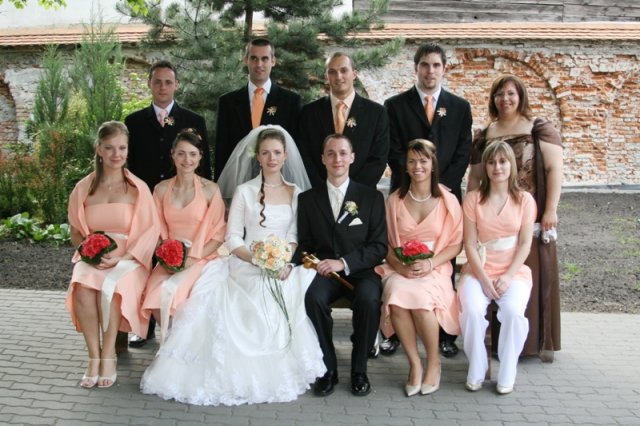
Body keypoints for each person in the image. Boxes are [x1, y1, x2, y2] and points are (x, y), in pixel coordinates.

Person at [140, 126, 324, 405]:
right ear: (257, 157)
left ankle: (273, 370)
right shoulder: (245, 191)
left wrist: (281, 260)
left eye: (276, 152)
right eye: (265, 153)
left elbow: (295, 235)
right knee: (248, 291)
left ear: (285, 156)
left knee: (283, 289)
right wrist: (258, 259)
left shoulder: (297, 193)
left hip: (281, 263)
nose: (272, 158)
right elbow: (233, 236)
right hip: (245, 260)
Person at [383, 43, 472, 358]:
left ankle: (446, 332)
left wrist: (437, 189)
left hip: (443, 196)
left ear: (444, 68)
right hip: (406, 192)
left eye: (436, 65)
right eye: (424, 65)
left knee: (443, 264)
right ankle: (394, 330)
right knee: (399, 258)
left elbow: (463, 151)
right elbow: (393, 149)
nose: (430, 70)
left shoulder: (459, 107)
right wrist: (415, 181)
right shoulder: (395, 105)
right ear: (416, 68)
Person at [467, 74, 563, 362]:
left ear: (521, 96)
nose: (505, 99)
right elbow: (475, 177)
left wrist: (550, 209)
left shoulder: (538, 128)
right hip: (492, 219)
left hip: (528, 215)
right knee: (492, 279)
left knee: (526, 278)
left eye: (511, 93)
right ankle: (496, 342)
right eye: (499, 94)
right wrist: (470, 213)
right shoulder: (486, 134)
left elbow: (554, 169)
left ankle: (532, 343)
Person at [125, 60, 211, 348]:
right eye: (157, 81)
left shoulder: (192, 119)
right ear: (149, 84)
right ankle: (144, 325)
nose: (163, 87)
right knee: (147, 258)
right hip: (146, 201)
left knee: (174, 263)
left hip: (181, 199)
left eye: (168, 82)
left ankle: (180, 322)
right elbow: (129, 164)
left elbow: (203, 165)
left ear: (176, 85)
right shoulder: (134, 121)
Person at [66, 121, 160, 388]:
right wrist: (87, 252)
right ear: (98, 149)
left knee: (114, 288)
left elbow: (150, 232)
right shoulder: (84, 188)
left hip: (128, 260)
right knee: (82, 287)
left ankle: (109, 356)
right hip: (92, 258)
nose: (116, 154)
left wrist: (123, 258)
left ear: (128, 150)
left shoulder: (137, 188)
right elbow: (76, 230)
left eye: (122, 148)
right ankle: (93, 357)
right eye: (109, 148)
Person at [296, 134, 387, 397]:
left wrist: (344, 263)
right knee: (312, 297)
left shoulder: (371, 197)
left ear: (352, 157)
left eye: (343, 153)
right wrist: (317, 262)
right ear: (323, 159)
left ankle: (359, 370)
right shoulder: (307, 199)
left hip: (360, 271)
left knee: (369, 300)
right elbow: (304, 244)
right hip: (324, 271)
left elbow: (379, 246)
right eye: (331, 153)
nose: (338, 159)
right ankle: (328, 368)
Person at [376, 139, 463, 397]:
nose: (417, 166)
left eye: (423, 161)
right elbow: (385, 243)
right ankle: (415, 364)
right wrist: (399, 266)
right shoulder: (395, 200)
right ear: (405, 166)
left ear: (433, 165)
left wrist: (431, 262)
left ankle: (434, 362)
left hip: (434, 267)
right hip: (400, 267)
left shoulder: (448, 201)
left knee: (424, 301)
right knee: (396, 297)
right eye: (412, 161)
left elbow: (455, 244)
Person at [459, 141, 536, 394]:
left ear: (511, 165)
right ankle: (477, 367)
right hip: (479, 269)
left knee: (513, 312)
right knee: (471, 311)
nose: (497, 167)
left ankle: (507, 370)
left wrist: (508, 276)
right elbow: (470, 244)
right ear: (485, 167)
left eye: (503, 162)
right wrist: (482, 278)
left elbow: (525, 244)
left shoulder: (525, 200)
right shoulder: (473, 199)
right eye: (491, 162)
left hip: (513, 271)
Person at [141, 129, 226, 342]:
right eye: (181, 153)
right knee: (155, 296)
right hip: (168, 258)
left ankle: (179, 348)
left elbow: (218, 234)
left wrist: (191, 259)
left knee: (176, 295)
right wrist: (167, 258)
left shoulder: (210, 190)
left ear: (200, 157)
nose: (187, 160)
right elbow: (155, 230)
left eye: (192, 154)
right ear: (173, 155)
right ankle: (174, 344)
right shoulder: (161, 190)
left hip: (202, 257)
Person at [296, 52, 390, 188]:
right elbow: (304, 156)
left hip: (361, 194)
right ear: (326, 77)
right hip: (319, 193)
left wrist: (351, 190)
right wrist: (325, 189)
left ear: (354, 74)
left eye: (344, 70)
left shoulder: (376, 113)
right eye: (332, 72)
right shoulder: (309, 113)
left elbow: (379, 158)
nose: (338, 76)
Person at [214, 38, 302, 180]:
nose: (259, 64)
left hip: (277, 181)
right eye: (254, 58)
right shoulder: (228, 102)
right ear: (245, 60)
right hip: (238, 181)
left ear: (273, 61)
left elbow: (295, 149)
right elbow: (221, 150)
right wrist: (220, 187)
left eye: (264, 59)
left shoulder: (290, 101)